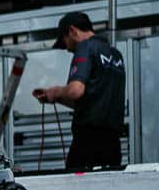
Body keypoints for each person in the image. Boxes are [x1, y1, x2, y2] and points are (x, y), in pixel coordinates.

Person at [33, 11, 126, 170]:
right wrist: (55, 98)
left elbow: (75, 90)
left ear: (72, 31)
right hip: (113, 145)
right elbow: (92, 101)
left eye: (65, 41)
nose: (67, 49)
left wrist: (55, 92)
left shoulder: (85, 47)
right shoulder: (116, 55)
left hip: (87, 143)